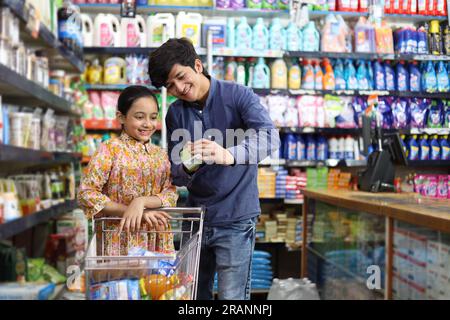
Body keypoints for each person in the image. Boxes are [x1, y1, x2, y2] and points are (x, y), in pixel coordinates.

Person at [148, 38, 280, 300]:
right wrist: (187, 164)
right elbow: (177, 173)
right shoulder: (175, 113)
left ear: (198, 65)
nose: (179, 88)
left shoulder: (238, 95)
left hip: (236, 217)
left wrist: (228, 154)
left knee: (232, 297)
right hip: (196, 218)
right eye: (170, 86)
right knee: (191, 294)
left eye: (181, 77)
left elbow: (269, 137)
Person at [78, 85, 177, 255]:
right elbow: (86, 194)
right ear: (121, 117)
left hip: (157, 239)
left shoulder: (160, 154)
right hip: (119, 238)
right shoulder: (109, 149)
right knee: (122, 282)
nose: (148, 124)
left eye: (153, 117)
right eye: (139, 117)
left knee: (157, 281)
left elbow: (170, 194)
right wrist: (132, 211)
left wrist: (142, 202)